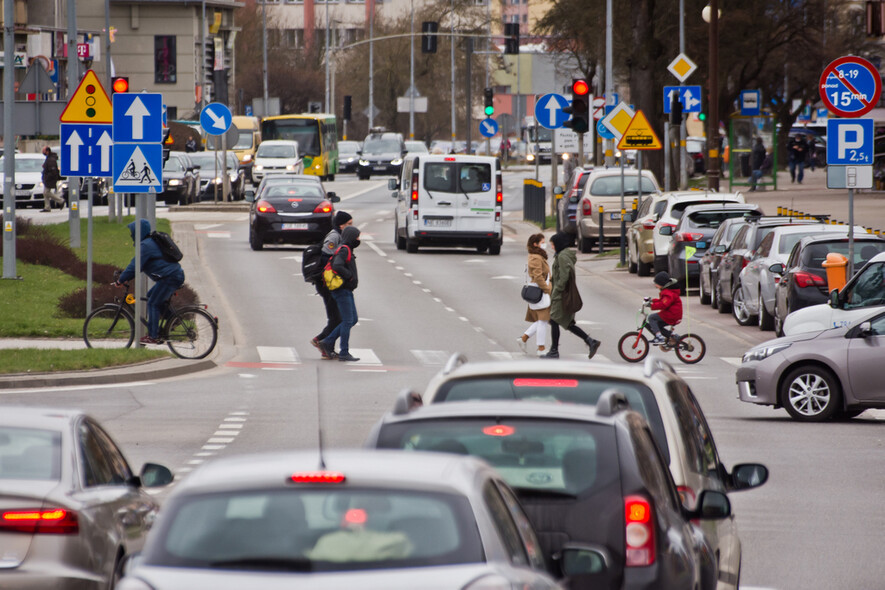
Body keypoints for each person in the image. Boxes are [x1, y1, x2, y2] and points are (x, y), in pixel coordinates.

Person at [114, 219, 186, 345]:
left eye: (133, 233)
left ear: (138, 232)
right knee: (151, 296)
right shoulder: (150, 242)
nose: (131, 235)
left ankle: (153, 336)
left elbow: (135, 266)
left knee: (153, 303)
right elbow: (137, 266)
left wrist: (120, 280)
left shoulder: (146, 245)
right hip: (172, 275)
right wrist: (125, 275)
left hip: (170, 277)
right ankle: (172, 319)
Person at [545, 232, 601, 359]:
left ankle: (554, 351)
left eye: (553, 244)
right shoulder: (562, 255)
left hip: (562, 295)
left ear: (558, 244)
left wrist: (557, 290)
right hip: (563, 293)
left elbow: (565, 276)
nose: (552, 247)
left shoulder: (562, 257)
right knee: (567, 323)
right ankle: (590, 341)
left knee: (554, 320)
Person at [311, 211, 353, 359]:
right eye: (348, 224)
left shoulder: (340, 236)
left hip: (331, 283)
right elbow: (328, 260)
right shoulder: (334, 236)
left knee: (337, 317)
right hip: (327, 284)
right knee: (337, 318)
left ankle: (326, 345)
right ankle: (322, 342)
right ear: (341, 225)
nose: (350, 227)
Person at [317, 225, 361, 362]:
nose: (359, 239)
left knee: (353, 319)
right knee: (348, 320)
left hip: (346, 290)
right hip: (342, 290)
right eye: (357, 237)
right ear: (351, 237)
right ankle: (344, 352)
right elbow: (337, 265)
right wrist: (349, 276)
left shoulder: (346, 249)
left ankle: (327, 341)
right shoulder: (344, 250)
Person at [518, 233, 551, 357]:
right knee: (543, 320)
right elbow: (537, 276)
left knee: (542, 320)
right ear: (535, 244)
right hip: (540, 292)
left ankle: (524, 338)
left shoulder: (538, 255)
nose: (544, 243)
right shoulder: (536, 257)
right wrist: (546, 289)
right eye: (542, 242)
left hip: (541, 291)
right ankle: (540, 348)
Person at [646, 271, 683, 345]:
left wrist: (651, 306)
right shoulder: (668, 291)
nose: (655, 285)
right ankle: (673, 336)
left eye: (656, 283)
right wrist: (652, 301)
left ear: (662, 284)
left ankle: (659, 337)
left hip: (671, 314)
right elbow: (662, 301)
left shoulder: (668, 293)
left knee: (651, 318)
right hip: (672, 313)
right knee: (657, 325)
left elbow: (663, 304)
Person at [41, 146, 65, 212]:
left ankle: (61, 201)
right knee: (45, 193)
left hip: (50, 179)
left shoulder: (51, 160)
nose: (43, 152)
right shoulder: (49, 158)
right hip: (48, 179)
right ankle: (47, 207)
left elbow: (53, 171)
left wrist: (47, 178)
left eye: (44, 151)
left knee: (46, 192)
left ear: (47, 151)